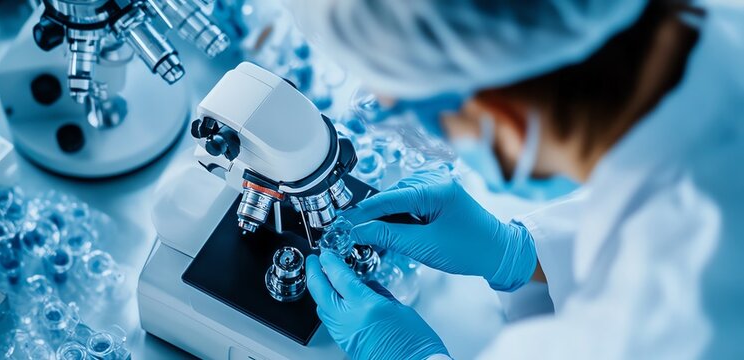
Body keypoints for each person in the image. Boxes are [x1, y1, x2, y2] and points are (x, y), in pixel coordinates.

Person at [283, 0, 744, 359]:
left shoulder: (675, 322)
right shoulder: (704, 34)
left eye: (406, 112)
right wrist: (525, 256)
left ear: (507, 123)